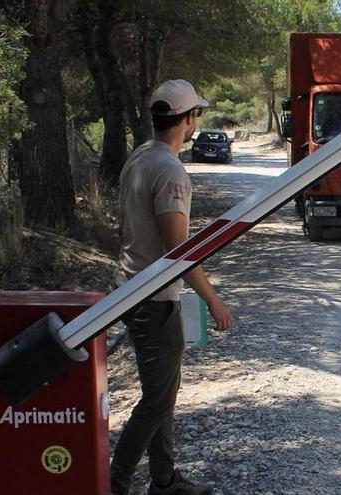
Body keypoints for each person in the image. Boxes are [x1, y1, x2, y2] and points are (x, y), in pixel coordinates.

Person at [111, 79, 234, 495]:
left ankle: (163, 479)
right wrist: (213, 300)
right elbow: (178, 251)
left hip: (135, 291)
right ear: (188, 119)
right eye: (196, 113)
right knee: (157, 400)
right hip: (154, 300)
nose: (197, 119)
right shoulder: (169, 171)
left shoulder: (140, 158)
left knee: (162, 391)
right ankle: (114, 483)